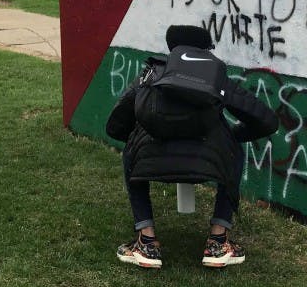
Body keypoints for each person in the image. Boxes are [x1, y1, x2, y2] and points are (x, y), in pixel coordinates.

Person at [105, 25, 278, 269]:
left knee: (132, 152)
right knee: (234, 151)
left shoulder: (152, 73)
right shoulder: (217, 78)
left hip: (150, 159)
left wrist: (138, 138)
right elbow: (267, 120)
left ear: (171, 48)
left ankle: (146, 242)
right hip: (209, 161)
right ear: (206, 49)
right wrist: (233, 135)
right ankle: (218, 242)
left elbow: (115, 124)